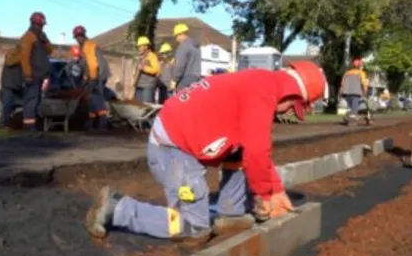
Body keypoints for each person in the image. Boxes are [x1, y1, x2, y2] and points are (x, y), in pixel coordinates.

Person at [83, 62, 327, 243]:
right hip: (172, 150)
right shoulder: (264, 93)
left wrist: (276, 190)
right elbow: (258, 153)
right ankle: (117, 209)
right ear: (293, 95)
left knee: (238, 152)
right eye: (292, 108)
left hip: (183, 137)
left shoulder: (261, 84)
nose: (285, 112)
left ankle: (231, 212)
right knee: (194, 227)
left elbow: (257, 148)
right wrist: (266, 194)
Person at [13, 12, 55, 131]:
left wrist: (45, 40)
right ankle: (29, 126)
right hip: (32, 75)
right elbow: (24, 57)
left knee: (35, 100)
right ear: (35, 24)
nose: (42, 28)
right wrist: (28, 74)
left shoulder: (39, 37)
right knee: (31, 100)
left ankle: (33, 125)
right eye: (41, 25)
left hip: (39, 75)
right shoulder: (28, 37)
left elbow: (49, 51)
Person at [73, 25, 111, 130]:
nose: (77, 40)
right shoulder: (86, 45)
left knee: (97, 98)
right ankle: (92, 123)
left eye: (77, 38)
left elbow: (93, 65)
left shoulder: (88, 45)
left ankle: (103, 124)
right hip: (96, 74)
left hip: (98, 75)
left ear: (79, 37)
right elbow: (87, 66)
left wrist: (93, 79)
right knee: (91, 99)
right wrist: (86, 80)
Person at [169, 23, 202, 94]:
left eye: (177, 36)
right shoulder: (196, 46)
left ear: (181, 34)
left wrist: (174, 80)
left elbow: (179, 65)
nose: (176, 39)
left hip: (185, 80)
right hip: (196, 78)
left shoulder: (183, 46)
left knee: (181, 102)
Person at [339, 57, 369, 126]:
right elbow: (364, 83)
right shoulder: (361, 73)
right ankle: (352, 120)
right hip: (356, 92)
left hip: (346, 93)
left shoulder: (347, 73)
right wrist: (365, 90)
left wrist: (341, 91)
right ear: (359, 66)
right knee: (355, 107)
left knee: (350, 107)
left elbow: (342, 83)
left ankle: (347, 117)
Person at [134, 36, 161, 104]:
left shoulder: (152, 56)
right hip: (139, 85)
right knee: (138, 106)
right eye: (139, 46)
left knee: (148, 106)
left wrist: (144, 68)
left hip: (148, 86)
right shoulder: (140, 57)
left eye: (141, 46)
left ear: (146, 46)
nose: (139, 48)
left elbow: (156, 69)